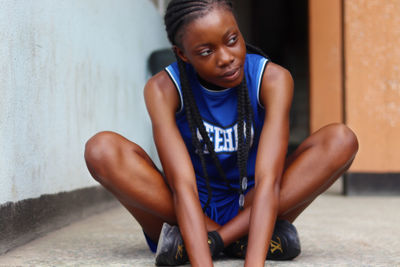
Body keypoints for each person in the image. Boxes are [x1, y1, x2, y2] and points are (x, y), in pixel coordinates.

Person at [84, 0, 358, 266]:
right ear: (182, 54)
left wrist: (218, 244)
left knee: (340, 140)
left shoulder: (273, 79)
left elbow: (268, 182)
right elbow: (183, 188)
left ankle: (201, 244)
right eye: (205, 51)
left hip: (251, 204)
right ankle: (239, 242)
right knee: (102, 150)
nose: (226, 58)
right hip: (187, 210)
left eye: (232, 40)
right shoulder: (162, 89)